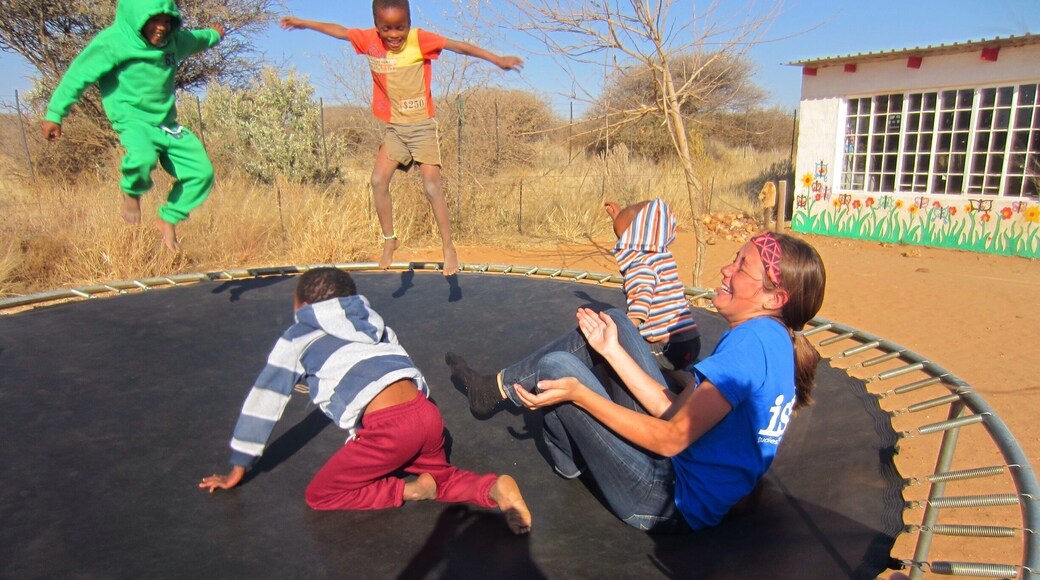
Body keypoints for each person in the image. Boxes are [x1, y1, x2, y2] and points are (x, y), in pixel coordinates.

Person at [450, 232, 826, 532]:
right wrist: (611, 351)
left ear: (775, 297)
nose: (727, 269)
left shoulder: (750, 344)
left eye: (743, 267)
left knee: (556, 368)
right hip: (681, 473)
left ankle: (570, 458)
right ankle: (496, 389)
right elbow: (671, 411)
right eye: (736, 258)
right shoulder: (771, 337)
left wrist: (581, 396)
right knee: (614, 323)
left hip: (663, 498)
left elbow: (669, 438)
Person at [199, 268, 531, 535]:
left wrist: (239, 466)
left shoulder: (297, 336)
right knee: (442, 479)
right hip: (425, 412)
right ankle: (492, 488)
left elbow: (266, 398)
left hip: (390, 427)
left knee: (320, 495)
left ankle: (412, 491)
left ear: (301, 307)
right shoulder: (371, 322)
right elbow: (399, 358)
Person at [279, 0, 524, 276]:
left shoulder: (420, 40)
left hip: (422, 128)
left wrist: (498, 60)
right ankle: (389, 239)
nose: (394, 35)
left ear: (409, 23)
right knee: (377, 181)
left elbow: (459, 46)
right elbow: (339, 30)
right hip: (395, 128)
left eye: (401, 28)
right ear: (377, 27)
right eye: (387, 29)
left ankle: (448, 247)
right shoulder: (368, 40)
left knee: (432, 188)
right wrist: (303, 23)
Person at [447, 198, 700, 415]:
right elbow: (641, 233)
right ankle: (683, 378)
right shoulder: (661, 256)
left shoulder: (640, 267)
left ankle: (496, 389)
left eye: (622, 236)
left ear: (634, 239)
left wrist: (627, 325)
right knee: (669, 364)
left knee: (610, 326)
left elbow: (642, 298)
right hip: (686, 341)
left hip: (660, 344)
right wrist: (619, 217)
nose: (619, 244)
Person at [41, 0, 224, 253]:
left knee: (202, 173)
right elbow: (78, 75)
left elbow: (197, 40)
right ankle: (132, 194)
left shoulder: (174, 41)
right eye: (153, 21)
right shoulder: (113, 42)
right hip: (133, 120)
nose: (161, 28)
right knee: (142, 157)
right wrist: (56, 113)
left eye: (166, 21)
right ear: (138, 19)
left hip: (167, 124)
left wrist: (215, 35)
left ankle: (169, 217)